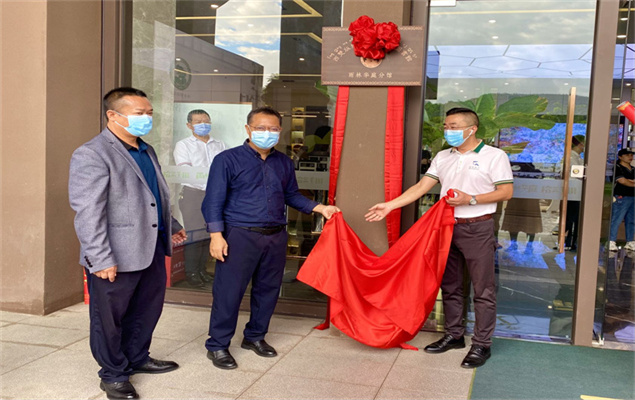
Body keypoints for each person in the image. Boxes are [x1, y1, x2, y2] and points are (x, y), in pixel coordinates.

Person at [366, 107, 513, 368]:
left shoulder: (494, 155)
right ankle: (454, 335)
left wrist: (471, 199)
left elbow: (506, 192)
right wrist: (390, 205)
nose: (448, 131)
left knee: (483, 289)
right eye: (446, 126)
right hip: (445, 227)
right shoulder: (443, 156)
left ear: (472, 129)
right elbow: (422, 187)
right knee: (450, 284)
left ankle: (481, 344)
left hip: (477, 227)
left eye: (453, 127)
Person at [69, 87, 187, 400]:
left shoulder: (146, 150)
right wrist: (99, 257)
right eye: (139, 113)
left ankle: (137, 357)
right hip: (115, 254)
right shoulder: (93, 153)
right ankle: (113, 375)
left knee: (146, 310)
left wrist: (171, 226)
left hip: (151, 247)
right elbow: (88, 211)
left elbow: (153, 195)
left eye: (149, 113)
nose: (147, 118)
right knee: (109, 320)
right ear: (113, 115)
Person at [201, 106, 340, 370]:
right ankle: (217, 345)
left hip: (275, 236)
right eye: (261, 128)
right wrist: (216, 236)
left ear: (280, 131)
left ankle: (255, 336)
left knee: (268, 291)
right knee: (229, 293)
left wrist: (320, 208)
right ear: (248, 129)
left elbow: (291, 195)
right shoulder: (227, 160)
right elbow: (213, 201)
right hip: (239, 235)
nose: (267, 133)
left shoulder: (284, 162)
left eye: (273, 129)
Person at [173, 109, 227, 287]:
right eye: (198, 121)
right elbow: (186, 172)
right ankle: (191, 272)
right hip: (193, 194)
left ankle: (202, 269)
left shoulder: (220, 145)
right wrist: (213, 179)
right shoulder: (183, 145)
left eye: (206, 121)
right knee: (194, 234)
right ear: (189, 125)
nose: (203, 124)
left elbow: (226, 170)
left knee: (208, 234)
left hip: (215, 195)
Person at [609, 149, 634, 251]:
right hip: (621, 196)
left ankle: (630, 241)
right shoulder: (618, 167)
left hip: (633, 196)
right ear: (620, 157)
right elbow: (622, 181)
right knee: (617, 219)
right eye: (627, 155)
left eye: (631, 155)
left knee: (631, 220)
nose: (630, 157)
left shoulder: (633, 169)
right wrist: (631, 182)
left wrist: (629, 181)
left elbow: (626, 181)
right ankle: (611, 241)